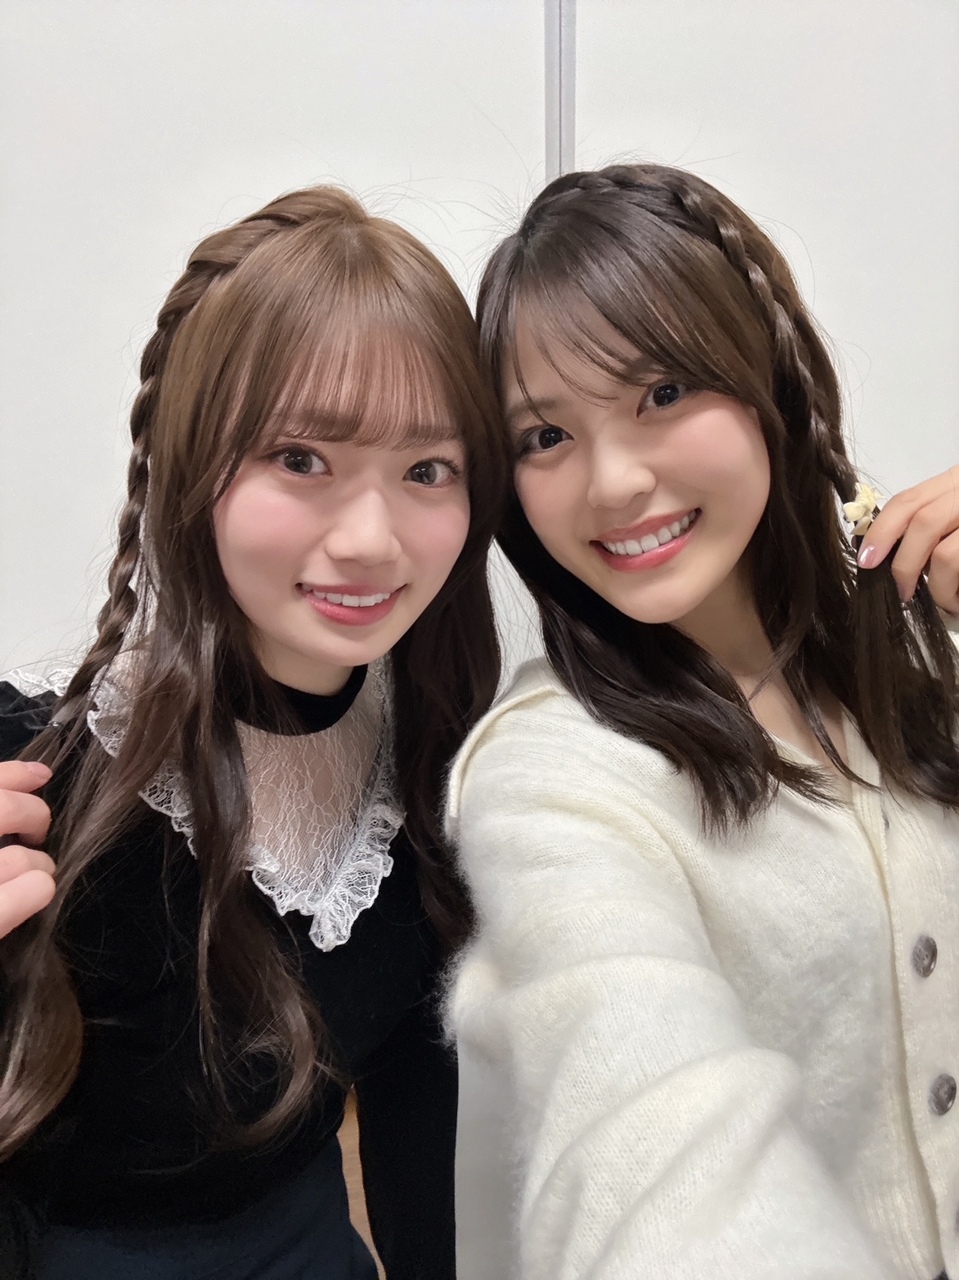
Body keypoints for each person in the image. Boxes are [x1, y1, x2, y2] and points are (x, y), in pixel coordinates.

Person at [446, 163, 959, 1280]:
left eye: (662, 391)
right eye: (544, 437)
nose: (613, 482)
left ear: (766, 374)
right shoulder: (550, 776)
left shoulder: (918, 642)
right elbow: (648, 1141)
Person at [0, 183, 509, 1278]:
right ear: (189, 462)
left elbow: (426, 1160)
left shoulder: (437, 771)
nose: (370, 539)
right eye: (301, 458)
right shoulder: (31, 774)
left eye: (426, 469)